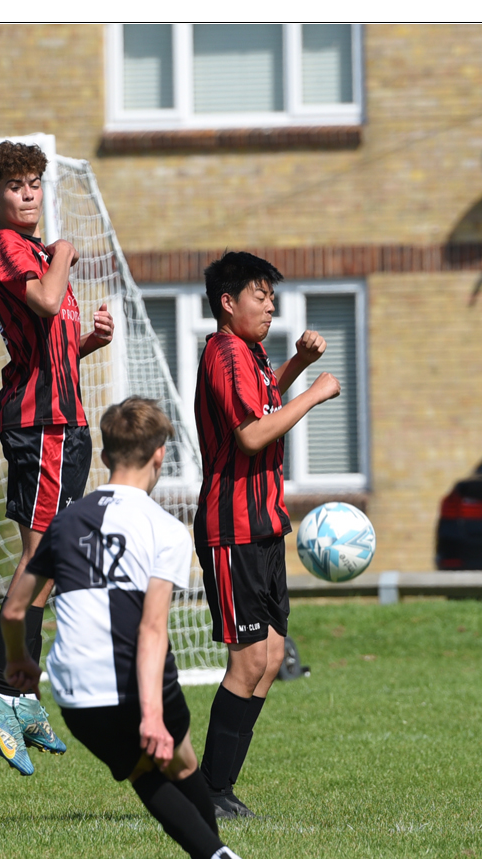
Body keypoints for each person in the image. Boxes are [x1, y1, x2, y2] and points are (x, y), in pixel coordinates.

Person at [3, 397, 270, 859]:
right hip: (132, 681)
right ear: (159, 457)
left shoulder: (64, 522)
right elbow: (152, 631)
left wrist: (20, 661)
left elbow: (16, 610)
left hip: (76, 693)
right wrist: (151, 714)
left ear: (105, 457)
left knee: (162, 765)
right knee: (169, 760)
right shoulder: (165, 529)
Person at [0, 140, 115, 775]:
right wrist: (64, 253)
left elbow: (46, 342)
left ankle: (20, 693)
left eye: (34, 184)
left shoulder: (35, 257)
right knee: (40, 558)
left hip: (63, 421)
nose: (28, 195)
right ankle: (4, 693)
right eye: (15, 186)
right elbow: (48, 302)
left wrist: (85, 343)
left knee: (52, 561)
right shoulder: (8, 247)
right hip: (43, 426)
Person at [193, 251, 339, 819]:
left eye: (272, 297)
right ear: (228, 304)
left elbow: (263, 401)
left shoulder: (248, 354)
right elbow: (253, 434)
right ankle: (209, 790)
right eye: (261, 296)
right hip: (232, 528)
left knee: (272, 656)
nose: (271, 306)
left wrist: (295, 367)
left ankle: (219, 787)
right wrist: (314, 394)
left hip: (264, 525)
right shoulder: (224, 351)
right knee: (249, 660)